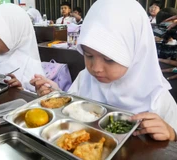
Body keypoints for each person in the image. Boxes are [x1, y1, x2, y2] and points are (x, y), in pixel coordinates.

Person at [30, 0, 177, 141]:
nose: (96, 68)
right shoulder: (85, 77)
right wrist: (55, 94)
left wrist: (171, 134)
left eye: (109, 59)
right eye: (88, 55)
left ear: (136, 53)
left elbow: (173, 135)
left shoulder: (157, 97)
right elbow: (71, 105)